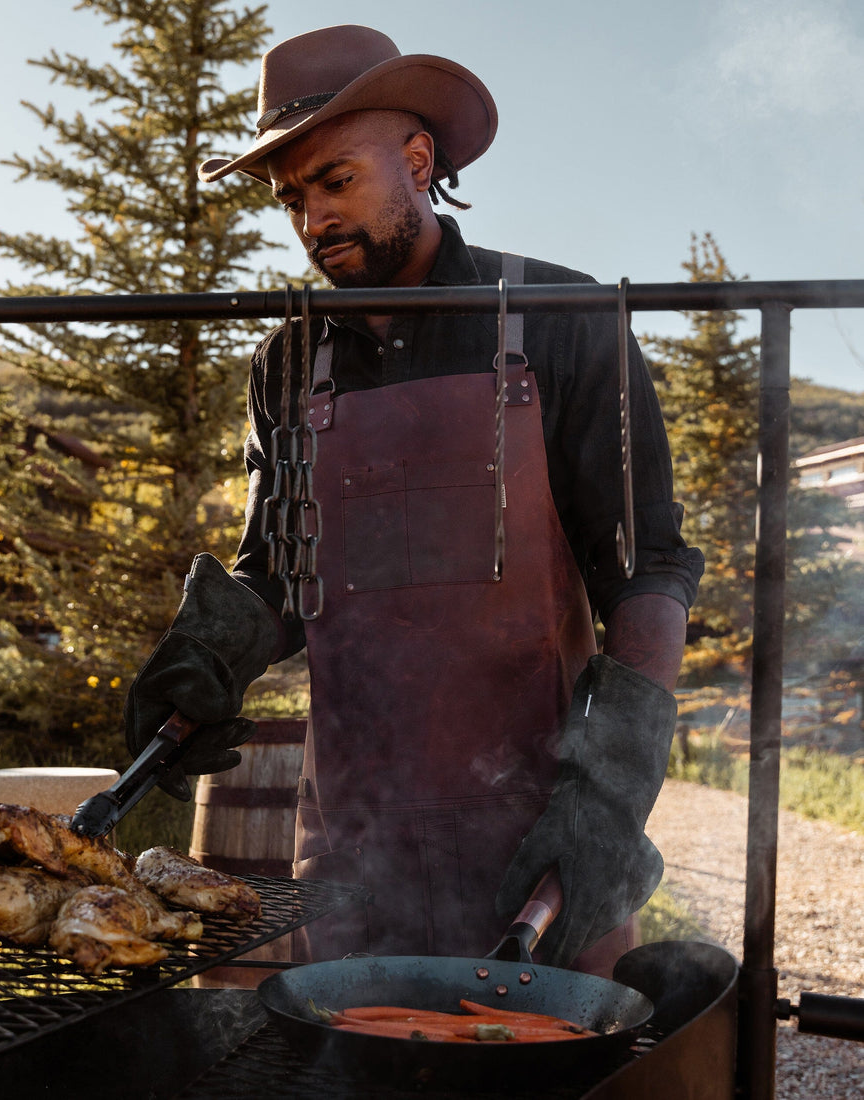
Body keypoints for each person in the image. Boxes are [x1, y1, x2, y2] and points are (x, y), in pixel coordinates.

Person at [124, 25, 703, 976]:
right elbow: (276, 572)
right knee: (345, 1048)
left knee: (546, 1048)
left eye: (335, 180)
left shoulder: (565, 320)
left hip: (540, 844)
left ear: (420, 160)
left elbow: (648, 571)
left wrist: (608, 795)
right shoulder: (286, 364)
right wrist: (207, 653)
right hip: (354, 848)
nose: (312, 219)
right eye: (291, 197)